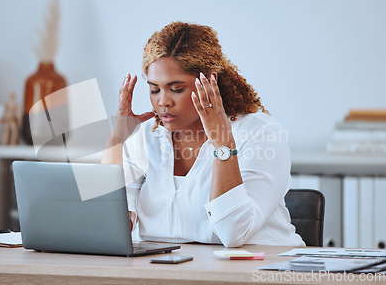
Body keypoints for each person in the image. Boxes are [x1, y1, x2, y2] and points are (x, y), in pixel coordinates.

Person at [102, 21, 304, 247]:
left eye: (176, 89)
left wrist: (222, 143)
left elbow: (233, 232)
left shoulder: (259, 133)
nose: (163, 101)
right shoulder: (146, 136)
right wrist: (116, 141)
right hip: (167, 275)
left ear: (209, 83)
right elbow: (108, 228)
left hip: (256, 272)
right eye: (154, 89)